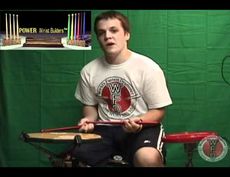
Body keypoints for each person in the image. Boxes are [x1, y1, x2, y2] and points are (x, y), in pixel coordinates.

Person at [71, 10, 172, 167]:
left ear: (127, 34)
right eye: (101, 32)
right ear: (98, 39)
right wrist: (89, 120)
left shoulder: (148, 68)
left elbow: (158, 111)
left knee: (148, 159)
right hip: (105, 129)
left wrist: (139, 121)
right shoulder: (88, 71)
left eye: (114, 30)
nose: (108, 36)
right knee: (73, 160)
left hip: (142, 129)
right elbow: (90, 105)